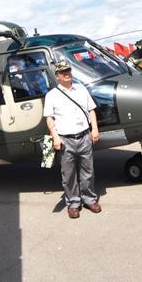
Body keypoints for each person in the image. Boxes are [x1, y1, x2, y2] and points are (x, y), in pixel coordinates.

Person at [44, 61, 101, 219]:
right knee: (68, 175)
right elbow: (49, 118)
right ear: (57, 76)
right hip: (65, 140)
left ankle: (89, 199)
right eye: (62, 72)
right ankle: (74, 203)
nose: (66, 73)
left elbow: (91, 110)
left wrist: (94, 129)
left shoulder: (81, 89)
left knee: (88, 172)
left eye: (68, 70)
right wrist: (55, 137)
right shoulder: (52, 95)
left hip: (84, 136)